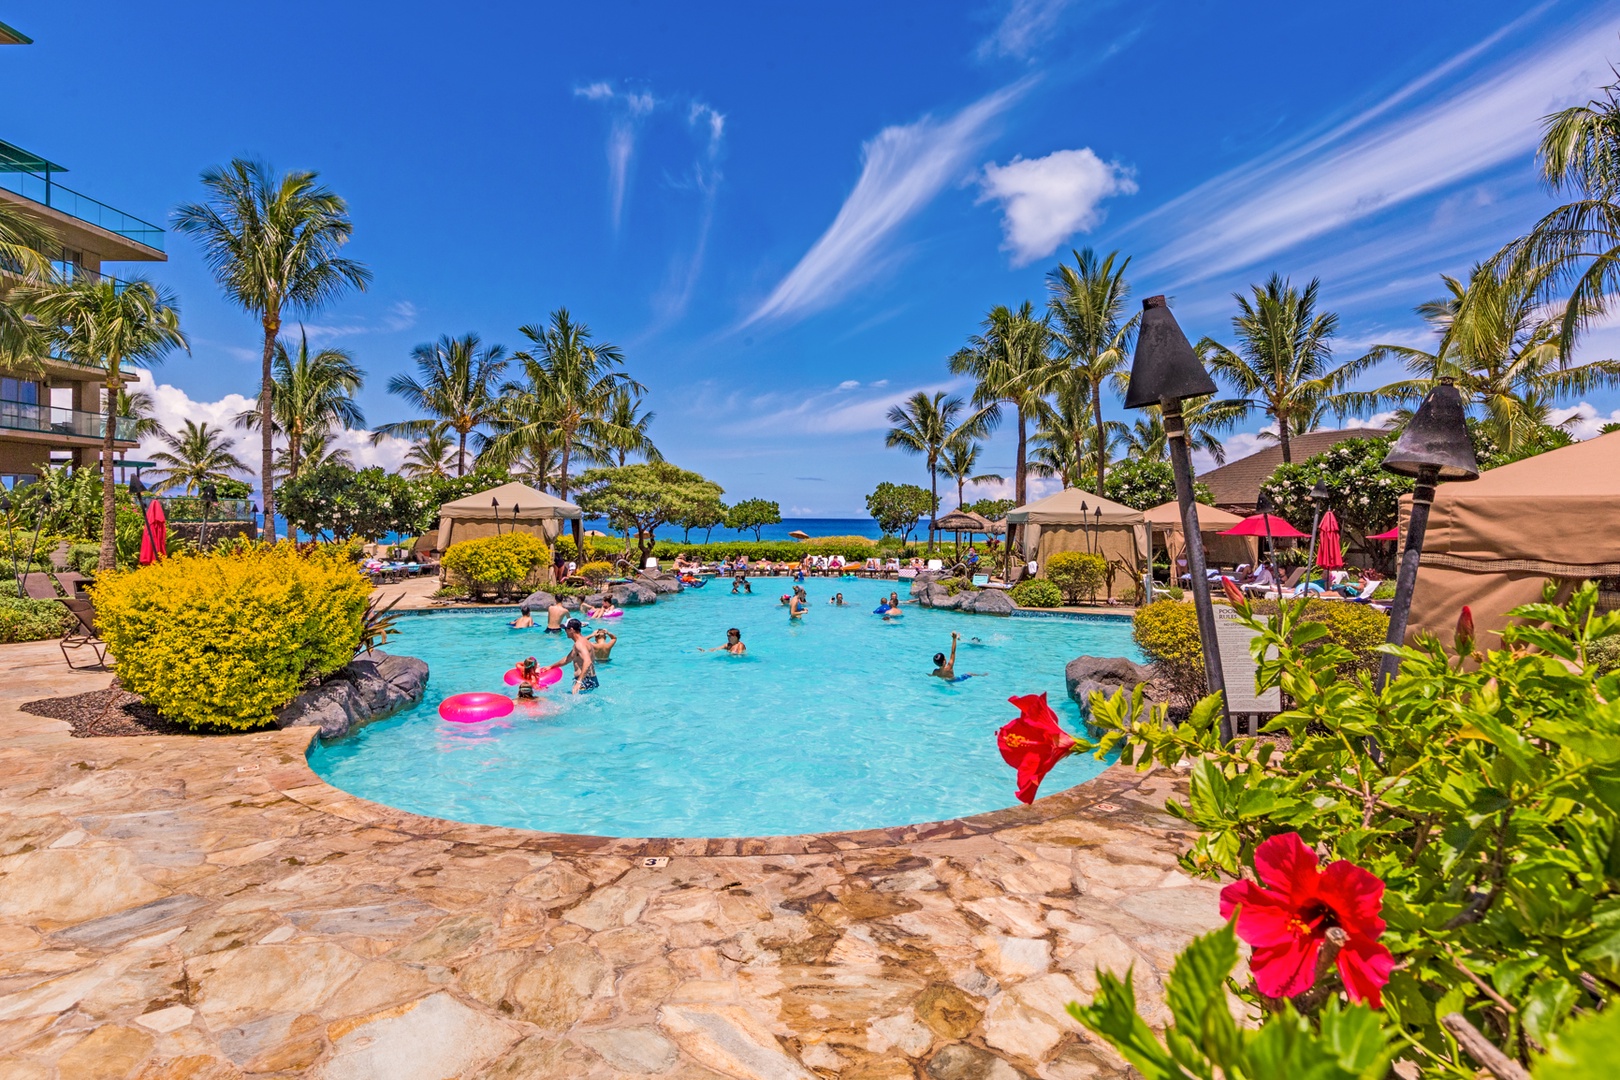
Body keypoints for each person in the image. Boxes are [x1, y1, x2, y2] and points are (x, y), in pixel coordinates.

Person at [541, 619, 599, 694]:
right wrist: (551, 667)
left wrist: (579, 681)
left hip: (584, 681)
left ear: (571, 629)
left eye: (566, 629)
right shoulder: (584, 642)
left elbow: (588, 661)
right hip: (591, 679)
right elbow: (567, 659)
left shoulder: (579, 644)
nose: (565, 631)